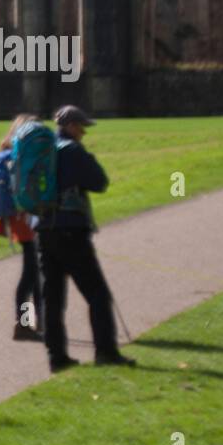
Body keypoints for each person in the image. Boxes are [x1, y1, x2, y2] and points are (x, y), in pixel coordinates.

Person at [33, 106, 136, 373]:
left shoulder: (41, 151)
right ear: (69, 126)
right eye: (80, 126)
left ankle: (57, 358)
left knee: (53, 299)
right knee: (97, 294)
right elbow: (100, 182)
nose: (83, 132)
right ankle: (106, 351)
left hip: (43, 230)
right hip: (71, 229)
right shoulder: (72, 151)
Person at [0, 114, 42, 341]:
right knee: (31, 271)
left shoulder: (9, 156)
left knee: (36, 269)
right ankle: (22, 324)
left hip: (20, 218)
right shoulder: (20, 158)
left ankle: (39, 320)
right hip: (26, 217)